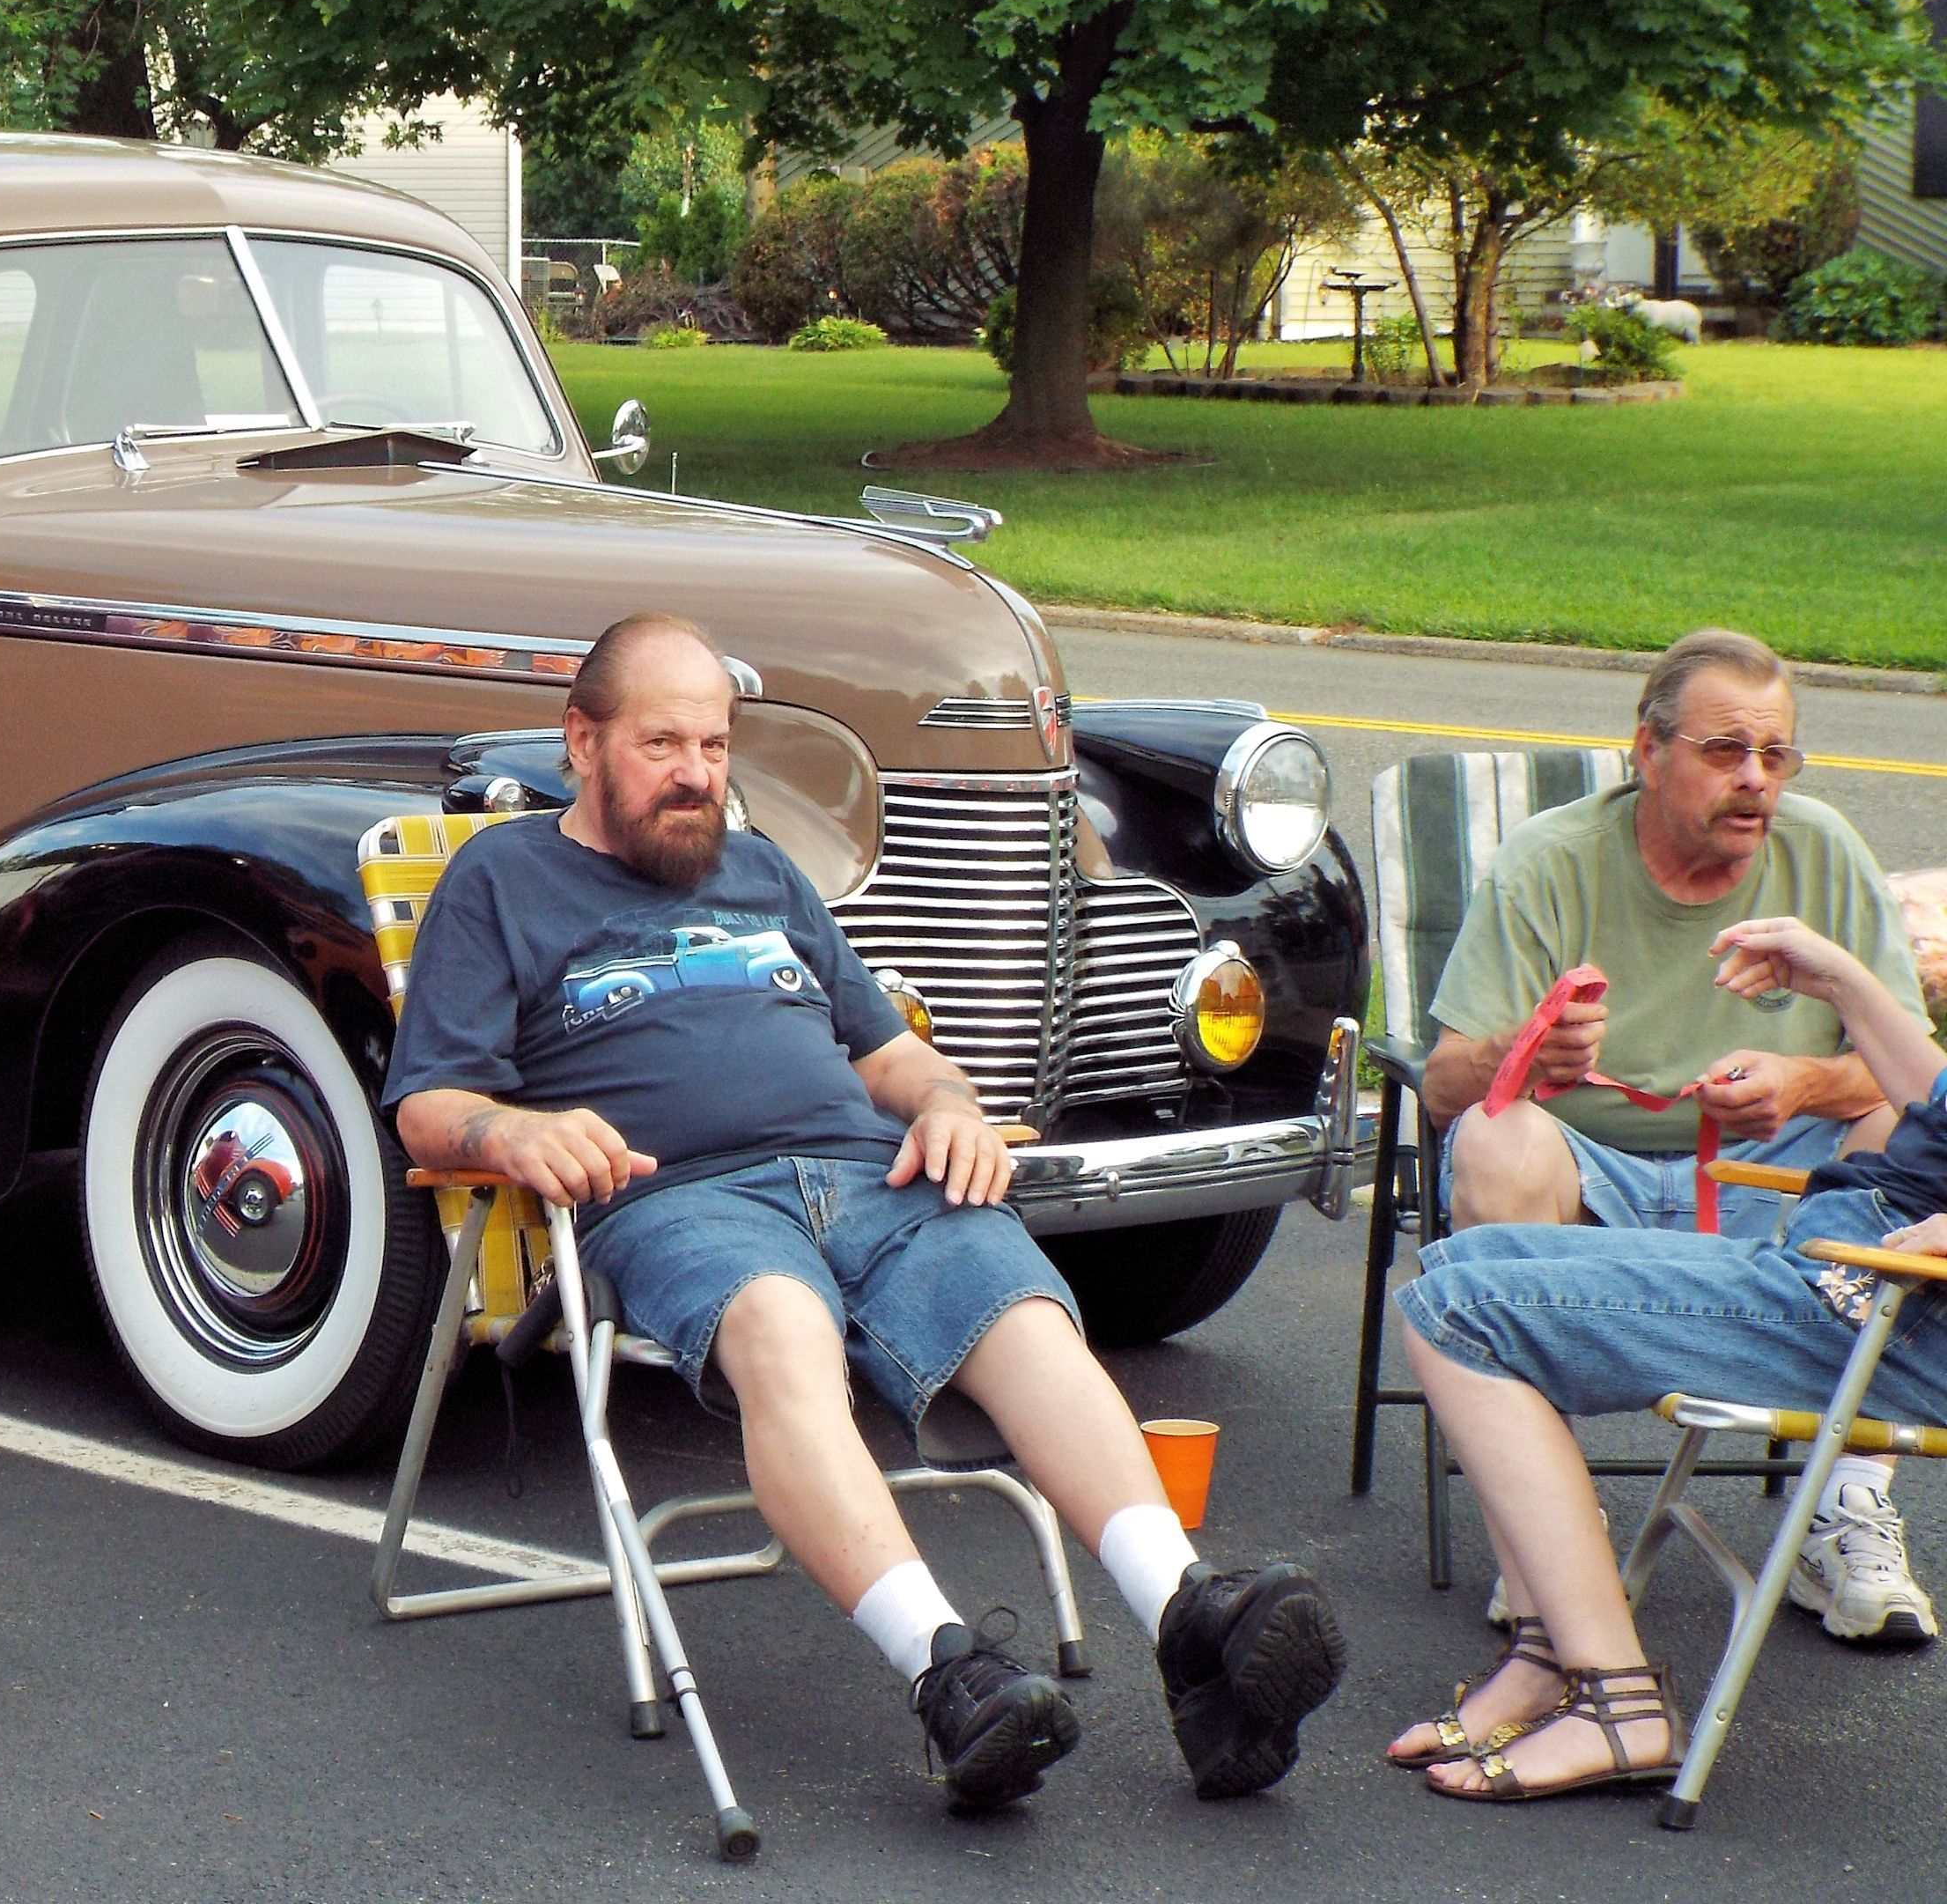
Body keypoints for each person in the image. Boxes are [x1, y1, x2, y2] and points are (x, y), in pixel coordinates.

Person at [381, 612, 1346, 1812]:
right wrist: (513, 1132)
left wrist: (949, 1103)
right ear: (581, 741)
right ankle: (949, 1676)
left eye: (716, 746)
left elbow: (888, 1055)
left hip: (868, 1171)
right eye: (663, 743)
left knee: (1020, 1315)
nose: (697, 774)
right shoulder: (502, 881)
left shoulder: (760, 869)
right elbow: (430, 1103)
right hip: (681, 1198)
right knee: (782, 1329)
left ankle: (1188, 1617)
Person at [1418, 626, 1938, 1643]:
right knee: (1491, 1136)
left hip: (1778, 1175)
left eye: (1775, 755)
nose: (1755, 781)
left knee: (1892, 1115)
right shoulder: (1551, 860)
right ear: (1646, 752)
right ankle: (1542, 1539)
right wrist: (1526, 1056)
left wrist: (1802, 1080)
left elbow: (1922, 1077)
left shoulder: (1822, 850)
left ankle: (1845, 1508)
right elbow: (1441, 1086)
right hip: (1593, 1170)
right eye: (1724, 751)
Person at [1390, 911, 1947, 1801]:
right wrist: (1836, 976)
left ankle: (1621, 1706)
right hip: (1843, 1257)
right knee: (1461, 1267)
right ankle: (1546, 1659)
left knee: (1458, 1315)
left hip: (1894, 1300)